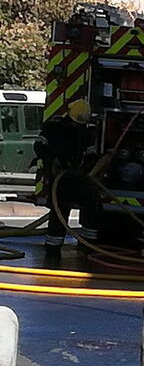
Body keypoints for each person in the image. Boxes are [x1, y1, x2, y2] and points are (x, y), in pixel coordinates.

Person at [33, 99, 100, 257]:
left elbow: (91, 155)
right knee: (67, 209)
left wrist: (82, 170)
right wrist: (53, 160)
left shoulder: (65, 128)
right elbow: (40, 147)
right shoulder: (62, 129)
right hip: (62, 177)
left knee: (67, 210)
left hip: (72, 177)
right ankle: (78, 248)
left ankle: (60, 249)